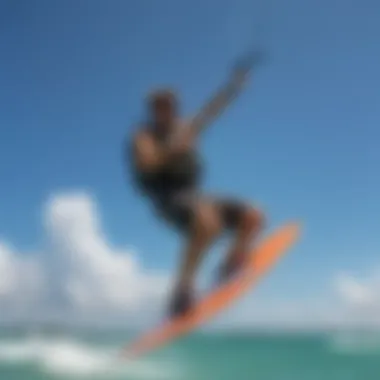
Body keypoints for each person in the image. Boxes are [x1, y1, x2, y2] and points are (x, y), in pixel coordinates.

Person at [127, 57, 264, 318]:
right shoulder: (143, 136)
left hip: (196, 197)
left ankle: (231, 263)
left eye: (168, 104)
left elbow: (212, 110)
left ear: (175, 107)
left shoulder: (186, 127)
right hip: (167, 199)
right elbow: (146, 162)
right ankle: (181, 290)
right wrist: (172, 150)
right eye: (158, 105)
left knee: (254, 216)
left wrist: (234, 85)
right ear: (152, 110)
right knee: (206, 222)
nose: (164, 109)